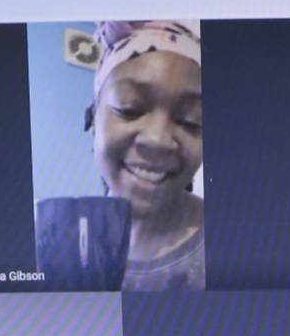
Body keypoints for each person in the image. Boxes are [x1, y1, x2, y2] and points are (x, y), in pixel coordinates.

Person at [87, 19, 204, 291]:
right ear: (93, 119)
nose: (157, 140)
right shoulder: (56, 242)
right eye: (129, 108)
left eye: (191, 120)